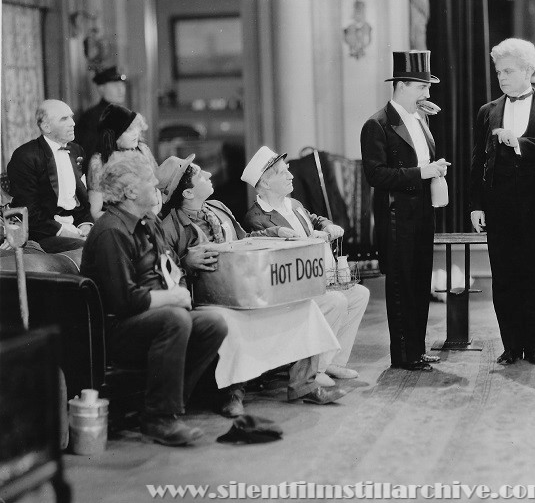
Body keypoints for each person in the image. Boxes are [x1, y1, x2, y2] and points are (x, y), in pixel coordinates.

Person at [156, 155, 348, 415]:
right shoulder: (170, 228)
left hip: (242, 290)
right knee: (233, 324)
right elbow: (164, 273)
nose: (209, 176)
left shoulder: (218, 208)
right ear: (188, 192)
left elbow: (244, 239)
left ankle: (304, 383)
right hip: (209, 300)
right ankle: (232, 394)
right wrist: (186, 261)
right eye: (201, 175)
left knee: (303, 306)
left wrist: (274, 232)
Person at [80, 151, 228, 446]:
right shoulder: (111, 231)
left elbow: (167, 266)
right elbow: (124, 301)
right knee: (175, 318)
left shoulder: (148, 222)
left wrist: (178, 288)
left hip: (149, 317)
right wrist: (172, 298)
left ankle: (165, 407)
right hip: (118, 327)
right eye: (150, 181)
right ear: (132, 191)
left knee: (214, 323)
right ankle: (158, 418)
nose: (157, 188)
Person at [469, 38, 535, 366]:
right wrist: (476, 205)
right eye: (498, 72)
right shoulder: (488, 111)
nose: (502, 77)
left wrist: (520, 143)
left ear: (528, 70)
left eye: (508, 71)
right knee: (504, 279)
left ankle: (533, 346)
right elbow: (477, 162)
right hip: (499, 211)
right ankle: (511, 347)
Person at [243, 146, 370, 385]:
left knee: (360, 294)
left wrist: (327, 226)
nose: (291, 176)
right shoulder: (258, 217)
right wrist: (310, 239)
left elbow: (313, 219)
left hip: (317, 278)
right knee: (336, 301)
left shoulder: (294, 204)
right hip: (292, 289)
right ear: (266, 184)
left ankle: (335, 362)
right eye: (283, 173)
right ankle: (315, 370)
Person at [360, 51, 449, 372]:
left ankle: (417, 349)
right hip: (397, 216)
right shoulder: (377, 125)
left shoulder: (419, 119)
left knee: (419, 280)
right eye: (421, 88)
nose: (427, 94)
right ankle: (403, 355)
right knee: (401, 285)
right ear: (401, 86)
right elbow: (375, 175)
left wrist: (432, 171)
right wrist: (422, 173)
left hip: (422, 212)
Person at [7, 99, 92, 253]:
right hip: (43, 234)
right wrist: (64, 231)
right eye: (64, 119)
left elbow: (82, 200)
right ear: (46, 127)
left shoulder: (76, 151)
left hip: (75, 228)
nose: (72, 123)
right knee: (92, 249)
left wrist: (85, 224)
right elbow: (27, 212)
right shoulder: (26, 156)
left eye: (71, 117)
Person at [87, 102, 158, 220]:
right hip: (121, 224)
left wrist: (151, 216)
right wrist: (134, 220)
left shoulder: (143, 150)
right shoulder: (99, 163)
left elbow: (157, 189)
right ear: (113, 136)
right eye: (128, 130)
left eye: (136, 127)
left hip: (152, 216)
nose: (136, 133)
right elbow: (95, 212)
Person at [75, 66, 127, 160]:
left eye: (122, 85)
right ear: (101, 88)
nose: (121, 90)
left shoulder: (122, 114)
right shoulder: (94, 117)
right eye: (115, 85)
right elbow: (90, 155)